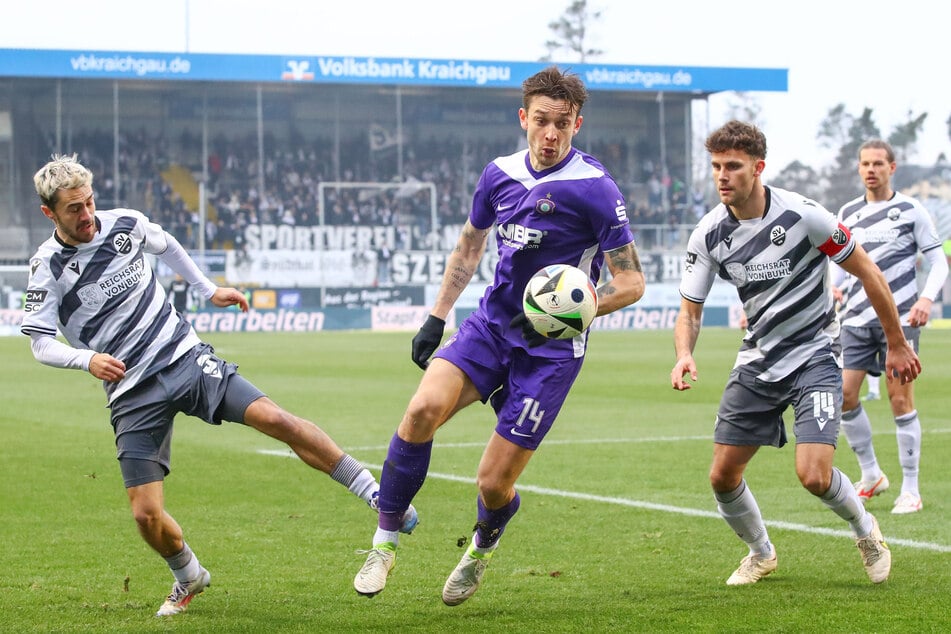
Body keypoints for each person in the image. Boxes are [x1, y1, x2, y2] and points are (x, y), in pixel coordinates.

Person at [21, 154, 417, 617]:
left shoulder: (124, 224)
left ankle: (379, 496)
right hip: (132, 392)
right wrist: (86, 359)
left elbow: (167, 245)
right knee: (145, 516)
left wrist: (209, 290)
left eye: (89, 202)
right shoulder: (46, 267)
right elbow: (40, 342)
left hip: (183, 356)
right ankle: (188, 574)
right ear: (50, 212)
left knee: (275, 418)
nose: (87, 215)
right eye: (74, 209)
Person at [353, 66, 646, 604]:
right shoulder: (498, 175)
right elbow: (470, 245)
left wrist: (576, 308)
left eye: (562, 123)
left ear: (577, 124)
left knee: (492, 484)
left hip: (551, 353)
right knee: (420, 412)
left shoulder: (596, 190)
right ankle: (384, 542)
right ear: (523, 119)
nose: (551, 134)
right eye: (541, 122)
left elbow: (632, 281)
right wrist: (437, 316)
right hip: (490, 328)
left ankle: (482, 545)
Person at [670, 121, 921, 586]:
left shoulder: (806, 216)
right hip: (758, 361)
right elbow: (689, 311)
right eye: (716, 167)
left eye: (733, 167)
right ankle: (761, 553)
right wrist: (684, 352)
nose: (722, 176)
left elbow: (870, 274)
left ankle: (866, 531)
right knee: (722, 476)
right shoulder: (708, 233)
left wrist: (897, 343)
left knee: (813, 475)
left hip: (816, 357)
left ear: (758, 168)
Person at [832, 139, 948, 514]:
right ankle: (872, 474)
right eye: (865, 163)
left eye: (878, 163)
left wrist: (926, 298)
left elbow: (938, 262)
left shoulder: (911, 210)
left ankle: (910, 489)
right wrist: (832, 284)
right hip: (855, 321)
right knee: (845, 395)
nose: (871, 169)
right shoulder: (847, 212)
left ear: (892, 167)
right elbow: (834, 261)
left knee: (900, 400)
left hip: (899, 323)